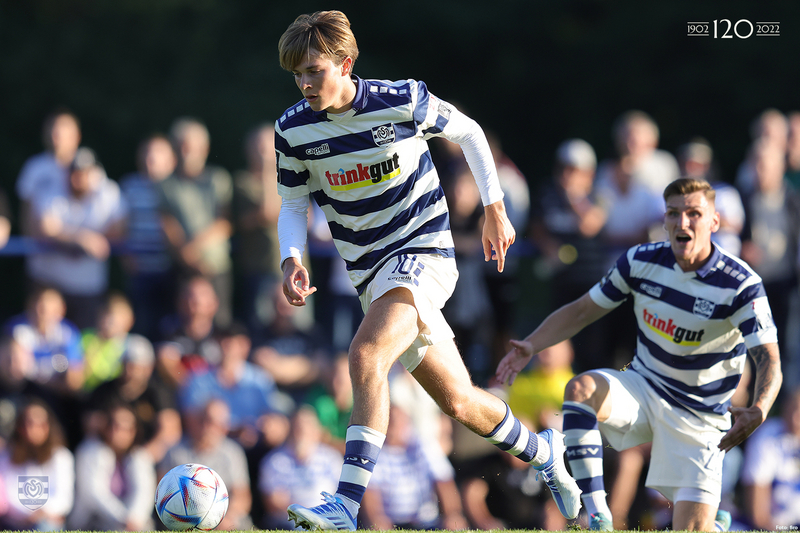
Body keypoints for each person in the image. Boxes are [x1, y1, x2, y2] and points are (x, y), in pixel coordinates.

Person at [275, 11, 580, 530]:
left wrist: (494, 208)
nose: (305, 83)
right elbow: (291, 204)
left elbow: (470, 133)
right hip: (370, 275)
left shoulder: (400, 100)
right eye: (297, 74)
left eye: (314, 70)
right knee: (459, 402)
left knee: (366, 354)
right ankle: (544, 452)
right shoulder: (292, 130)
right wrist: (292, 259)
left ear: (346, 64)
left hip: (424, 252)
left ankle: (345, 506)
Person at [497, 177, 783, 531]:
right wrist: (532, 344)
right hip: (644, 388)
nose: (682, 222)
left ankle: (713, 524)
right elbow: (583, 310)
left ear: (715, 222)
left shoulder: (740, 284)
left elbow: (768, 357)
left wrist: (759, 408)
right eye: (673, 213)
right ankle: (598, 516)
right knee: (582, 389)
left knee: (692, 528)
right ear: (664, 220)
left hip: (701, 417)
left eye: (694, 213)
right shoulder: (640, 260)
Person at [27, 147, 128, 329]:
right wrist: (82, 239)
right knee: (49, 339)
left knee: (86, 338)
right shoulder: (52, 189)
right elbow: (45, 228)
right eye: (74, 172)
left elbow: (119, 230)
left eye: (84, 173)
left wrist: (69, 236)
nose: (78, 178)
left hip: (88, 287)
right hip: (51, 285)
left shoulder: (107, 192)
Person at [158, 117, 234, 328]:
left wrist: (193, 249)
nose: (187, 152)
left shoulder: (218, 179)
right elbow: (167, 223)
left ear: (205, 148)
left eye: (191, 146)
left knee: (220, 325)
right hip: (181, 267)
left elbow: (224, 223)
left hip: (215, 266)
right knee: (180, 326)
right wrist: (186, 255)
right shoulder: (166, 185)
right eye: (182, 145)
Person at [160, 398, 253, 530]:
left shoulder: (233, 453)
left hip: (226, 519)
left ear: (224, 427)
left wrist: (224, 517)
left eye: (212, 422)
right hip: (183, 518)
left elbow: (242, 496)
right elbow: (163, 493)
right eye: (202, 420)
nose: (206, 427)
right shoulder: (174, 452)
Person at [119, 134, 178, 339]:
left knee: (170, 328)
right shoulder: (129, 186)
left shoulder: (178, 187)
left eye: (158, 152)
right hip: (140, 270)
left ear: (172, 159)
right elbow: (121, 226)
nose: (151, 157)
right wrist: (126, 257)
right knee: (142, 327)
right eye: (147, 152)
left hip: (172, 269)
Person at [69, 403, 156, 531]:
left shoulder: (140, 456)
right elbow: (93, 493)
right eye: (114, 425)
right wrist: (122, 518)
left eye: (127, 428)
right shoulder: (89, 451)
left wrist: (134, 518)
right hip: (94, 521)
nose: (119, 432)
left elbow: (144, 492)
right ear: (105, 427)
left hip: (131, 524)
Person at [232, 124, 283, 333]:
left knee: (296, 324)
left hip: (294, 267)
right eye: (259, 148)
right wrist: (267, 174)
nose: (264, 153)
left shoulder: (291, 178)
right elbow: (267, 212)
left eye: (268, 147)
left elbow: (307, 218)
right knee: (260, 327)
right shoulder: (242, 183)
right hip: (260, 269)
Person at [258, 405, 343, 529]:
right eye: (298, 427)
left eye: (307, 426)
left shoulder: (332, 459)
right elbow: (273, 502)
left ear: (317, 430)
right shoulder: (274, 462)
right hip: (291, 521)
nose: (302, 431)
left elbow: (344, 496)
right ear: (290, 430)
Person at [0, 398, 75, 531]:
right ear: (20, 427)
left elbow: (64, 497)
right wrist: (27, 514)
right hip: (13, 522)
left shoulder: (61, 456)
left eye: (41, 424)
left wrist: (43, 512)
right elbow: (7, 493)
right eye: (29, 423)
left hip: (47, 521)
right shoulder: (7, 454)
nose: (35, 428)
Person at [740, 386, 800, 529]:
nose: (795, 418)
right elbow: (759, 515)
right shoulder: (767, 436)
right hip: (775, 526)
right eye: (793, 408)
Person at [15, 109, 82, 236]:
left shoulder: (89, 165)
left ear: (76, 136)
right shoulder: (34, 167)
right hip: (43, 246)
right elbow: (26, 215)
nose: (55, 136)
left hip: (84, 245)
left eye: (61, 131)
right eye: (53, 130)